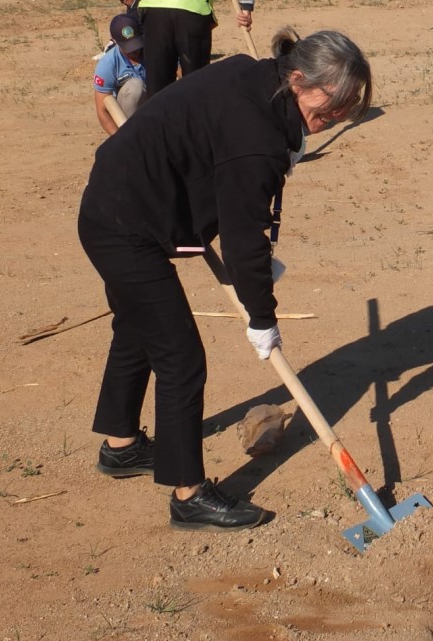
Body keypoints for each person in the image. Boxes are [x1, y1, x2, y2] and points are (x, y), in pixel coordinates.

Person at [77, 27, 372, 531]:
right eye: (332, 104)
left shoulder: (255, 77)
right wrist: (263, 318)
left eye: (347, 107)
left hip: (125, 200)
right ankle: (188, 495)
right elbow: (243, 237)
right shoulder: (256, 137)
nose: (338, 115)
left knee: (138, 327)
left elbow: (211, 164)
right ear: (297, 78)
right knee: (181, 357)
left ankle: (121, 446)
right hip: (123, 221)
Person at [138, 0, 255, 97]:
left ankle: (160, 123)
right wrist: (246, 8)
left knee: (158, 90)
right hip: (192, 10)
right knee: (196, 87)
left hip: (154, 10)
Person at [93, 15, 147, 135]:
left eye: (136, 44)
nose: (134, 51)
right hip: (126, 114)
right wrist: (119, 139)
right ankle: (130, 134)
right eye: (128, 47)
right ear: (115, 41)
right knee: (135, 86)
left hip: (154, 106)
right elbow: (102, 110)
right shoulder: (107, 64)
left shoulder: (153, 50)